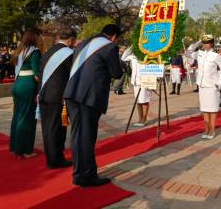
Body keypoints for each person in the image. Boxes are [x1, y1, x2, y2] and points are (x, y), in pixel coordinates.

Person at [64, 24, 123, 187]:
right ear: (114, 37)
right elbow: (117, 73)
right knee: (87, 136)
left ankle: (78, 173)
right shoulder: (109, 47)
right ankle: (87, 175)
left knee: (77, 136)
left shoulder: (83, 44)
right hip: (88, 97)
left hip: (72, 94)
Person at [38, 29, 77, 169]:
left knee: (47, 128)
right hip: (57, 97)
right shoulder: (68, 54)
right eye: (74, 42)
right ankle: (56, 160)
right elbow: (73, 75)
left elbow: (40, 73)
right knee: (57, 129)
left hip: (44, 94)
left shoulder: (48, 51)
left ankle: (51, 158)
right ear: (70, 40)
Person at [186, 35, 221, 140]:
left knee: (212, 109)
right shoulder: (199, 53)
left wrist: (220, 83)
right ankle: (206, 130)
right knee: (205, 109)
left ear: (212, 44)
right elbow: (187, 53)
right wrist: (198, 42)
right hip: (202, 85)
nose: (205, 45)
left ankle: (212, 130)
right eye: (204, 43)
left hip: (212, 86)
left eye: (207, 43)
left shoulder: (216, 56)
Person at [9, 27, 43, 159]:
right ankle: (24, 150)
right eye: (40, 36)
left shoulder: (19, 50)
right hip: (28, 86)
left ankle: (15, 147)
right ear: (34, 37)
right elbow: (37, 75)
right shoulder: (34, 52)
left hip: (18, 84)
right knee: (27, 117)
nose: (41, 39)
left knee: (18, 115)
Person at [121, 47, 152, 127]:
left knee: (144, 100)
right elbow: (123, 58)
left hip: (146, 79)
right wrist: (131, 46)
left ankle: (144, 119)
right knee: (138, 100)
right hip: (135, 81)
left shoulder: (147, 54)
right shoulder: (133, 56)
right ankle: (140, 118)